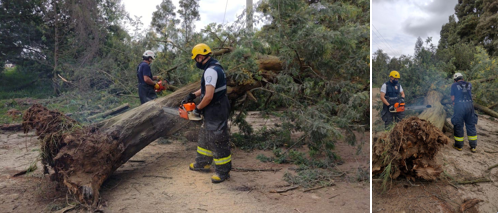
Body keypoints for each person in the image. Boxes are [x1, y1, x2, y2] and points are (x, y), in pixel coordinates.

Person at [184, 43, 231, 183]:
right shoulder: (215, 67)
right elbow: (206, 89)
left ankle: (223, 172)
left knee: (218, 138)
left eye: (195, 59)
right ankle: (203, 163)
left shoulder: (210, 71)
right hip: (215, 106)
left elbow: (209, 96)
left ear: (199, 57)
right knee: (205, 134)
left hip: (216, 107)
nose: (196, 61)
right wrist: (193, 95)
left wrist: (197, 109)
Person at [451, 72, 478, 153]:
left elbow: (453, 98)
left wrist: (453, 103)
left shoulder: (454, 85)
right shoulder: (469, 84)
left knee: (458, 125)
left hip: (459, 106)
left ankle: (459, 146)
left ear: (455, 80)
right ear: (462, 78)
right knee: (471, 125)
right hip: (470, 106)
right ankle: (473, 147)